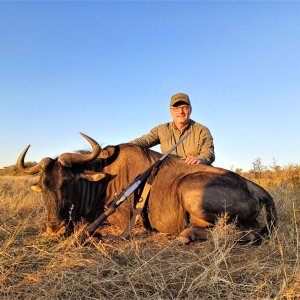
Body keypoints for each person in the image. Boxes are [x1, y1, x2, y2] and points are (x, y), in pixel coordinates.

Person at [130, 93, 215, 165]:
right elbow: (142, 142)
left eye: (184, 107)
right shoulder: (161, 129)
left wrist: (200, 159)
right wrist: (120, 149)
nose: (181, 111)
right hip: (172, 175)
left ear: (190, 110)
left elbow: (208, 153)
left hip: (195, 172)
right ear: (171, 111)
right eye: (176, 108)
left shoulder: (202, 130)